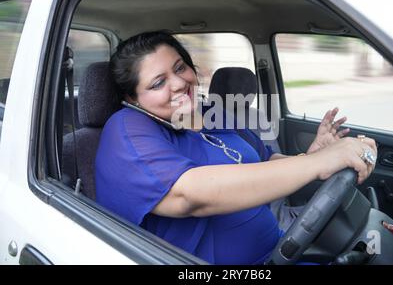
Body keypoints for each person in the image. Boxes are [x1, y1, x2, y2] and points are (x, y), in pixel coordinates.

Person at [95, 31, 377, 265]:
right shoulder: (126, 129)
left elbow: (265, 161)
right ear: (132, 98)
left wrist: (312, 155)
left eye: (180, 67)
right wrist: (319, 163)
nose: (180, 83)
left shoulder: (211, 112)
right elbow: (189, 195)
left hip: (281, 251)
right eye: (159, 83)